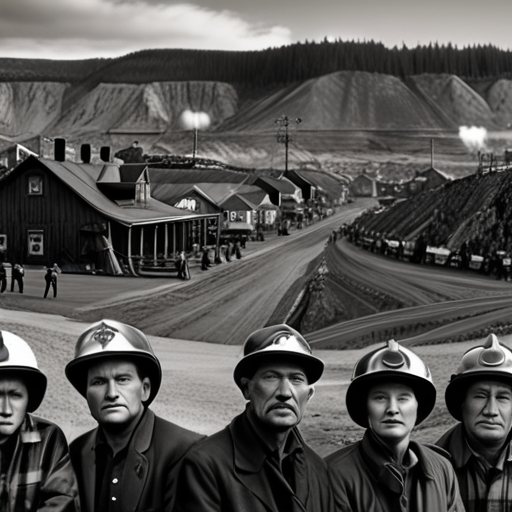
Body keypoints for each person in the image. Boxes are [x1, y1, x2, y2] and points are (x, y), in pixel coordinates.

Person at [174, 324, 333, 512]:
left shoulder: (317, 469)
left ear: (309, 395)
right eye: (271, 377)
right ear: (246, 388)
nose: (284, 392)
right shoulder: (206, 465)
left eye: (296, 379)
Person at [65, 319, 204, 512]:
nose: (111, 393)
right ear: (86, 394)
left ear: (145, 389)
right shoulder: (77, 451)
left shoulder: (187, 451)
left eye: (122, 379)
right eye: (98, 382)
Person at [327, 339, 464, 512]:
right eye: (380, 398)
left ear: (417, 406)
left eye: (403, 398)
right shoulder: (334, 474)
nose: (392, 409)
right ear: (365, 407)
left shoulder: (442, 469)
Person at [0, 329, 79, 511]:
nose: (5, 410)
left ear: (30, 398)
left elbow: (63, 499)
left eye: (16, 396)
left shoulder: (48, 438)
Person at [437, 333, 512, 511]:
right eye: (480, 396)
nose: (491, 411)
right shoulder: (432, 469)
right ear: (461, 404)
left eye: (502, 398)